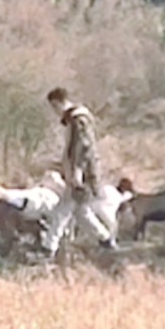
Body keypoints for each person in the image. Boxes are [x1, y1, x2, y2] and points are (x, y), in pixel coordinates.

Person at [43, 86, 117, 254]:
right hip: (80, 173)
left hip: (81, 175)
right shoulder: (75, 120)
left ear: (59, 103)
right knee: (81, 213)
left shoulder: (78, 120)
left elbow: (83, 148)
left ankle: (48, 248)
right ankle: (105, 240)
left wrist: (76, 172)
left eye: (55, 107)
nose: (55, 112)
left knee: (61, 212)